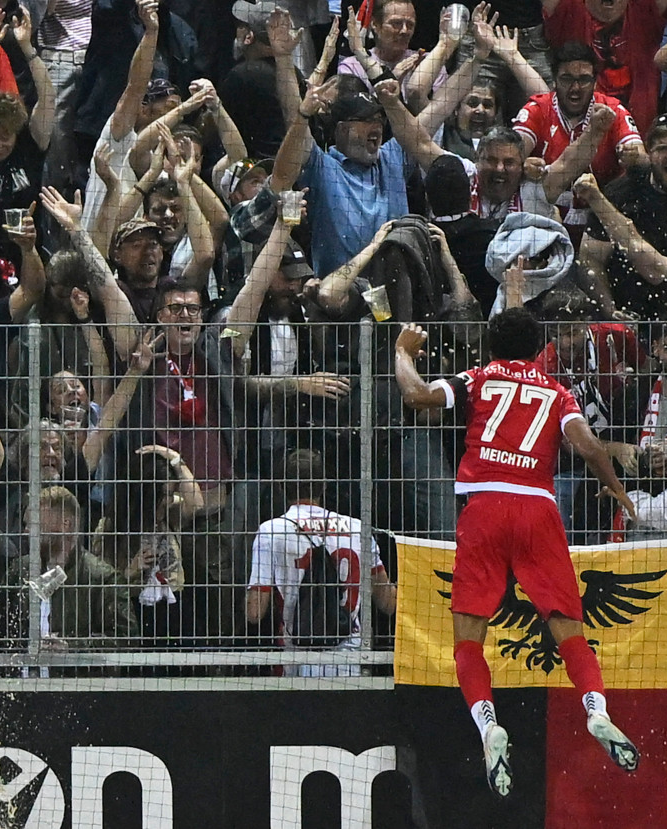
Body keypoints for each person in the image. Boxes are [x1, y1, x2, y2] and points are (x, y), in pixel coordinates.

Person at [392, 316, 642, 796]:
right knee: (570, 631)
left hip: (484, 507)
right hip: (537, 511)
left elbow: (418, 397)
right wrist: (615, 488)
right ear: (539, 346)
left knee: (468, 640)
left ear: (491, 343)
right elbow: (587, 445)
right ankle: (596, 710)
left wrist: (403, 353)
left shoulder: (479, 377)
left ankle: (488, 726)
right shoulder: (556, 391)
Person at [245, 448, 394, 676]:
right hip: (349, 659)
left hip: (296, 656)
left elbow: (255, 611)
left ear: (281, 486)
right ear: (324, 485)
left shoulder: (272, 531)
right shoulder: (357, 529)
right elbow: (388, 603)